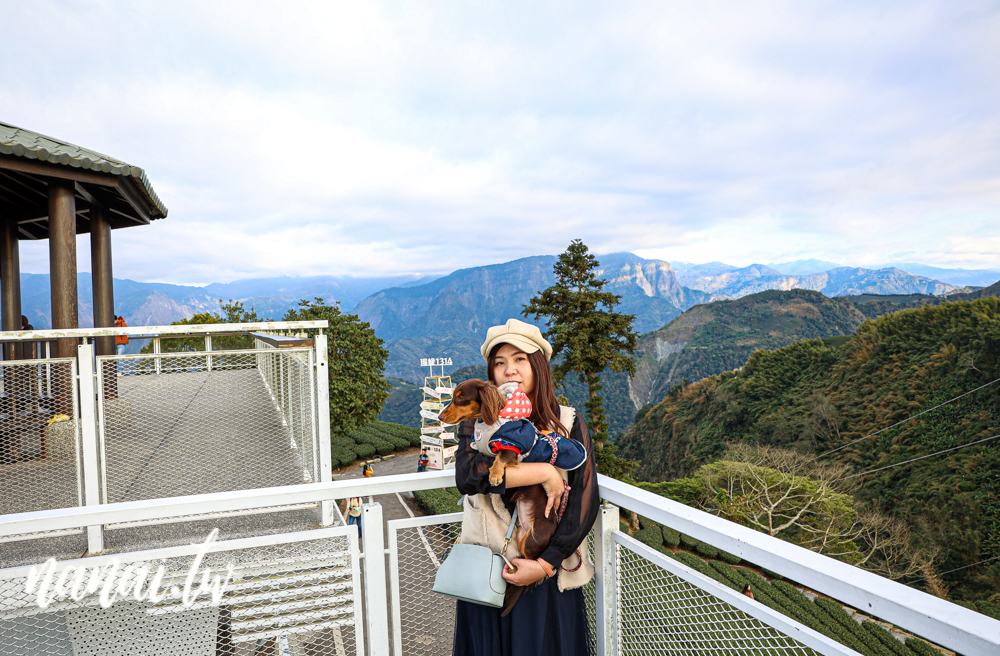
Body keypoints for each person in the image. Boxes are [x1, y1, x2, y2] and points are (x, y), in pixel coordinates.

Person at [453, 318, 599, 656]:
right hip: (488, 570)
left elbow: (584, 500)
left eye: (520, 359)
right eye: (499, 363)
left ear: (538, 366)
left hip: (544, 574)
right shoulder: (478, 422)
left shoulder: (568, 422)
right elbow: (469, 476)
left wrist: (546, 563)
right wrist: (544, 472)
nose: (510, 370)